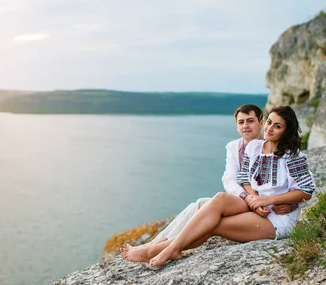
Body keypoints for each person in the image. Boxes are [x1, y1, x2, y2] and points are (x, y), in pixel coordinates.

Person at [127, 106, 314, 267]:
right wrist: (254, 198)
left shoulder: (293, 157)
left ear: (286, 131)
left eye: (277, 126)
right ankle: (165, 247)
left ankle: (162, 249)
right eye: (269, 122)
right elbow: (243, 178)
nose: (269, 128)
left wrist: (270, 199)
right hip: (256, 204)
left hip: (277, 219)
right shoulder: (255, 147)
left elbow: (307, 191)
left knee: (214, 224)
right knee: (219, 198)